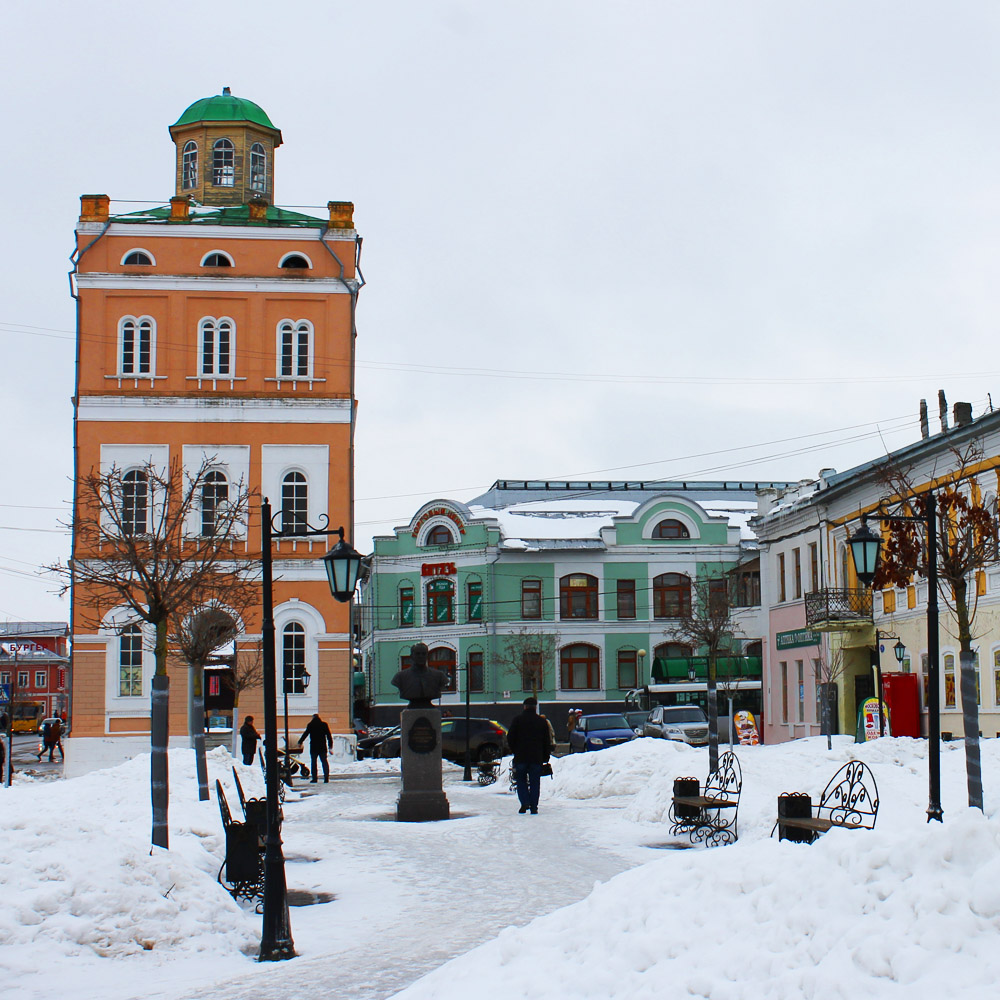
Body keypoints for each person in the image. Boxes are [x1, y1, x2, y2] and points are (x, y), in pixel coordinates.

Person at [506, 696, 551, 815]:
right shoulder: (542, 722)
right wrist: (546, 756)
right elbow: (547, 741)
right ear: (535, 707)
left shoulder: (517, 720)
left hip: (521, 757)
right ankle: (534, 807)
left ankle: (524, 802)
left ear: (524, 707)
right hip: (536, 757)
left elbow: (510, 737)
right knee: (535, 782)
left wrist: (515, 750)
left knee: (520, 780)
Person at [299, 713, 333, 783]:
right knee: (324, 761)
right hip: (322, 746)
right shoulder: (324, 725)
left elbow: (305, 734)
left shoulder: (310, 725)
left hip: (314, 746)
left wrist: (300, 742)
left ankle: (315, 778)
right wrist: (330, 746)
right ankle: (326, 778)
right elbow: (329, 736)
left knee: (314, 762)